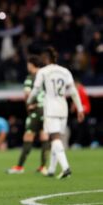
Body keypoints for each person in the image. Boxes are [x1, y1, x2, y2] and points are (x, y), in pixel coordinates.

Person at [27, 46, 84, 179]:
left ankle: (65, 168)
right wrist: (80, 108)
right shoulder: (65, 71)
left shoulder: (43, 71)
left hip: (51, 108)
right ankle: (52, 169)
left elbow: (35, 90)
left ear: (46, 58)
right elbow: (73, 91)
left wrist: (29, 101)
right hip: (63, 108)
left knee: (55, 138)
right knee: (55, 139)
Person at [7, 56, 49, 174]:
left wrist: (29, 106)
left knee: (28, 136)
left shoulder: (31, 78)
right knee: (44, 136)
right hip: (46, 109)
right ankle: (43, 167)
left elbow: (27, 94)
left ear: (31, 65)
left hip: (35, 110)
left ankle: (19, 167)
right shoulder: (46, 77)